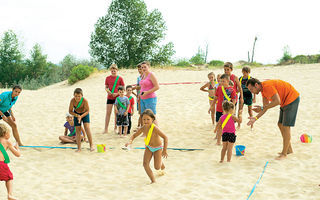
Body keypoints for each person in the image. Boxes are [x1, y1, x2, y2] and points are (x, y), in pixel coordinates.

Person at [246, 78, 300, 160]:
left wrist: (262, 108)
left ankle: (284, 153)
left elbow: (277, 101)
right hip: (284, 102)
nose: (251, 92)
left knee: (285, 127)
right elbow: (265, 108)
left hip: (291, 99)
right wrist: (255, 118)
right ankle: (289, 149)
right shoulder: (263, 91)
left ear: (256, 85)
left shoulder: (267, 86)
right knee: (280, 124)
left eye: (251, 89)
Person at [125, 109, 168, 184]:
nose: (146, 121)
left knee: (157, 167)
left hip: (158, 148)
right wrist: (130, 142)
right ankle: (153, 180)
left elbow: (165, 137)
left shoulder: (155, 128)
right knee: (145, 164)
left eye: (148, 119)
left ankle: (161, 163)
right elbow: (134, 135)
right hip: (148, 147)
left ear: (152, 119)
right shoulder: (143, 128)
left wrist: (164, 150)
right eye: (144, 119)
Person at [209, 74, 237, 145]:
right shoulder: (218, 88)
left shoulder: (232, 90)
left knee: (227, 126)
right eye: (220, 81)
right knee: (219, 126)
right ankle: (218, 141)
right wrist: (211, 106)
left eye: (223, 81)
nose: (221, 83)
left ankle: (225, 139)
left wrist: (232, 111)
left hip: (227, 112)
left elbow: (234, 101)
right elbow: (215, 98)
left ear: (228, 81)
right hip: (219, 109)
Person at [0, 123, 21, 200]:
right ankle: (10, 195)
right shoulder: (7, 142)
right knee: (9, 178)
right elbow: (18, 154)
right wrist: (17, 148)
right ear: (5, 134)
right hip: (1, 164)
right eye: (9, 133)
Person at [104, 64, 125, 134]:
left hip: (117, 98)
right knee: (108, 113)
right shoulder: (107, 78)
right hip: (109, 97)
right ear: (110, 70)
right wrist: (108, 91)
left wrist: (117, 93)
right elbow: (106, 87)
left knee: (116, 113)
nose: (113, 72)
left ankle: (115, 128)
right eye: (112, 70)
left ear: (117, 70)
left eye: (114, 70)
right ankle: (106, 128)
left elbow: (123, 88)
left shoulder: (120, 78)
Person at [132, 63, 144, 128]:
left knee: (142, 112)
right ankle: (139, 126)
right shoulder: (138, 78)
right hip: (139, 96)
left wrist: (134, 88)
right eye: (138, 69)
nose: (139, 70)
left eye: (141, 69)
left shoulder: (145, 77)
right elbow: (137, 86)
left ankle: (140, 126)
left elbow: (140, 86)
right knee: (140, 112)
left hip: (143, 96)